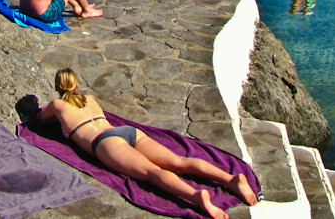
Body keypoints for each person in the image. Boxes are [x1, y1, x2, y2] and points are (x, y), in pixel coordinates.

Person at [38, 68, 258, 219]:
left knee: (152, 173)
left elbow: (40, 120)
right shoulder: (90, 99)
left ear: (58, 88)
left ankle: (195, 196)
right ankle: (231, 179)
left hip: (105, 143)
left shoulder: (57, 105)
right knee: (177, 160)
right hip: (126, 132)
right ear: (76, 83)